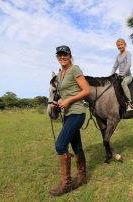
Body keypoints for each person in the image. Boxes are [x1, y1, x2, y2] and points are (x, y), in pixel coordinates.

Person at [47, 45, 90, 196]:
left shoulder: (75, 69)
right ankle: (82, 177)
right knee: (76, 145)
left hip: (77, 112)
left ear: (70, 56)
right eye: (59, 55)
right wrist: (59, 103)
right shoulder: (60, 75)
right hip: (67, 113)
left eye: (65, 54)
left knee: (60, 145)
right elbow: (62, 94)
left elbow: (86, 90)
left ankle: (66, 183)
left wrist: (69, 100)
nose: (62, 57)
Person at [111, 38, 133, 112]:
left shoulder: (127, 53)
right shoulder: (118, 56)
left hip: (127, 76)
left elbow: (129, 64)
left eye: (121, 44)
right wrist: (111, 76)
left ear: (125, 45)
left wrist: (122, 73)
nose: (120, 46)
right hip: (120, 76)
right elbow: (115, 66)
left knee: (123, 83)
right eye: (118, 45)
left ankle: (129, 104)